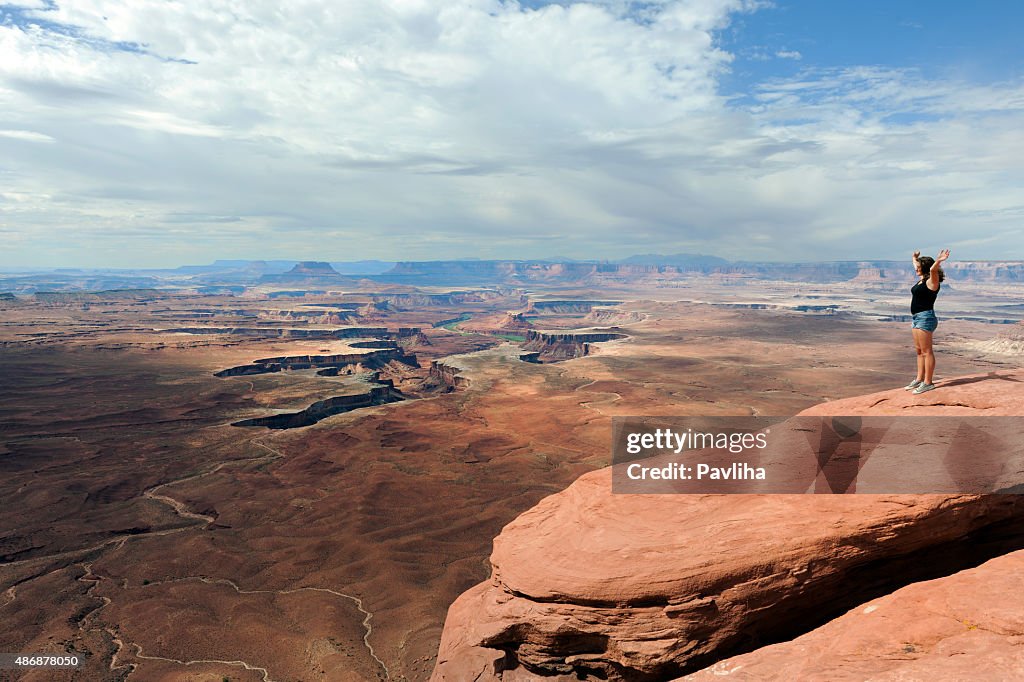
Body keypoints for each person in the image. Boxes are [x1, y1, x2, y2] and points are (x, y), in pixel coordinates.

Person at [905, 248, 950, 394]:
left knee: (926, 351)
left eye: (919, 267)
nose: (916, 269)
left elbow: (932, 270)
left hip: (926, 318)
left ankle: (928, 382)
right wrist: (914, 258)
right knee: (919, 351)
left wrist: (939, 261)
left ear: (925, 268)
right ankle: (919, 379)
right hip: (917, 318)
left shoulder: (932, 281)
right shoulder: (922, 279)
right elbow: (919, 266)